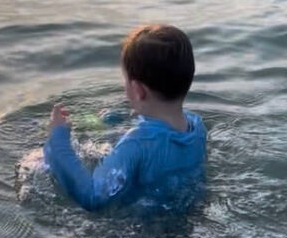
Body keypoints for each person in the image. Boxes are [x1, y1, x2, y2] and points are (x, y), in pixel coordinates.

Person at [44, 24, 206, 213]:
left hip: (140, 235)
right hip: (186, 221)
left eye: (125, 79)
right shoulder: (197, 127)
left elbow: (93, 196)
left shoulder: (136, 144)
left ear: (137, 90)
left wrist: (58, 138)